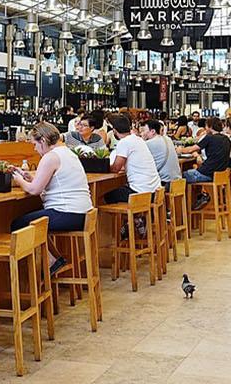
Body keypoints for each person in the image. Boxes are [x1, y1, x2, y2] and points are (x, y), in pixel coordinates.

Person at [11, 122, 92, 274]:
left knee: (19, 224)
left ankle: (50, 263)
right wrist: (31, 176)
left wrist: (19, 180)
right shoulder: (68, 153)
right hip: (83, 213)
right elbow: (55, 178)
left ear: (43, 140)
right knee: (39, 224)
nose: (35, 149)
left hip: (67, 213)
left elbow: (34, 189)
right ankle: (54, 260)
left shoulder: (50, 157)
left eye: (35, 144)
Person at [104, 114, 161, 204]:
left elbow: (115, 169)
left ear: (114, 131)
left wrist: (102, 167)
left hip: (140, 192)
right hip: (155, 189)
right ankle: (137, 217)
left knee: (105, 196)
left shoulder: (124, 142)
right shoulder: (138, 140)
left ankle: (131, 217)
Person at [178, 117, 231, 210]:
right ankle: (200, 196)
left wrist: (179, 150)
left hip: (207, 173)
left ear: (210, 127)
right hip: (219, 173)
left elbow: (191, 149)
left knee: (180, 176)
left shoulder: (209, 138)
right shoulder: (227, 139)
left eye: (206, 126)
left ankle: (185, 210)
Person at [140, 119, 183, 186]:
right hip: (177, 181)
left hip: (165, 183)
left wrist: (142, 139)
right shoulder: (168, 139)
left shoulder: (149, 143)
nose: (141, 133)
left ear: (153, 131)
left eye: (144, 130)